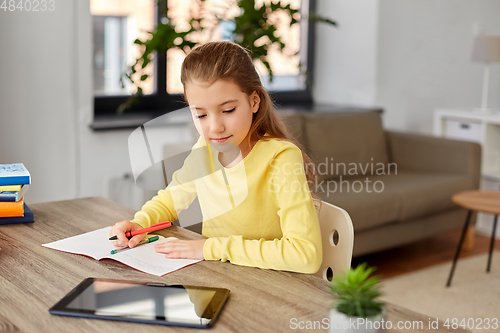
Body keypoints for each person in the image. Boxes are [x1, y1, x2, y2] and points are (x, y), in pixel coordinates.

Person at [110, 41, 322, 274]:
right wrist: (140, 223)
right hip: (218, 278)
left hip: (266, 285)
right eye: (200, 114)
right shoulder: (205, 149)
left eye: (228, 110)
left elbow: (305, 254)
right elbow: (170, 200)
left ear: (254, 101)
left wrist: (210, 248)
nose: (215, 128)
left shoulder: (281, 157)